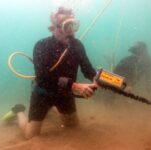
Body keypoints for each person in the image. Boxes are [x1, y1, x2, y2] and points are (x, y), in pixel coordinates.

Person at [8, 7, 98, 139]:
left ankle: (53, 110)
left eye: (72, 25)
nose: (70, 31)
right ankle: (19, 111)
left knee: (73, 127)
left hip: (64, 94)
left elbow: (87, 69)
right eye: (65, 26)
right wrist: (76, 86)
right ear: (53, 28)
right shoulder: (41, 45)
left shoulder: (77, 45)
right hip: (43, 94)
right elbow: (43, 77)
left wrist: (97, 78)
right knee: (30, 136)